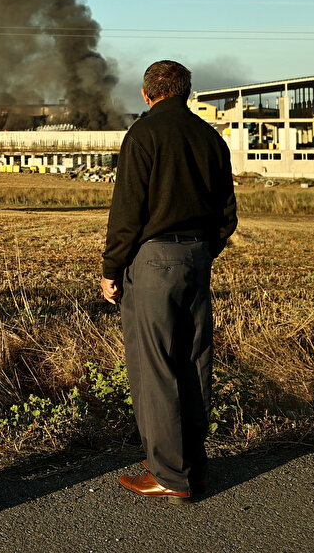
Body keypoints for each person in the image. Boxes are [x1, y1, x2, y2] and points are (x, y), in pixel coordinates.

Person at [101, 60, 237, 502]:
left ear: (146, 94)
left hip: (153, 260)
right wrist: (201, 252)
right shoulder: (210, 138)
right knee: (195, 363)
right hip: (198, 258)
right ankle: (193, 467)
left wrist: (111, 268)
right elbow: (227, 215)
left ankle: (167, 474)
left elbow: (128, 212)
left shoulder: (142, 134)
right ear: (188, 91)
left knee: (155, 368)